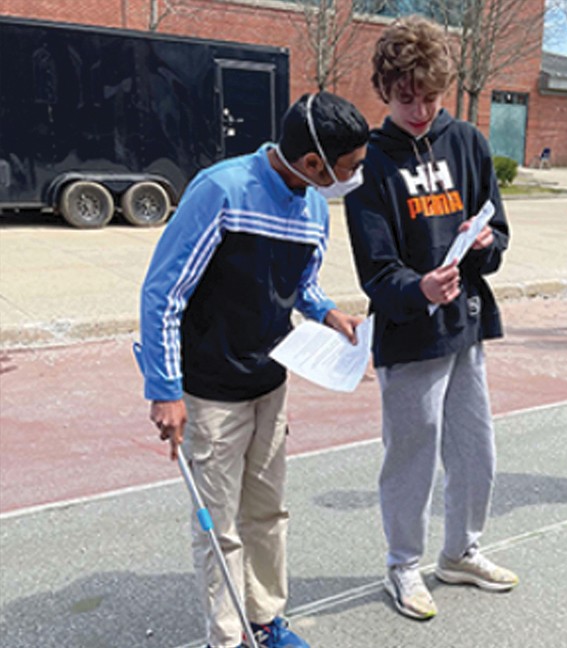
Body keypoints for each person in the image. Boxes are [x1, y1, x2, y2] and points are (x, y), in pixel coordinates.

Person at [135, 92, 369, 648]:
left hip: (272, 380)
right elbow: (163, 294)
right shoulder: (221, 190)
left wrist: (327, 310)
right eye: (350, 167)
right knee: (220, 526)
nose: (355, 177)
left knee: (267, 512)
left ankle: (264, 620)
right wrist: (165, 390)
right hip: (212, 390)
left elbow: (301, 283)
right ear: (313, 163)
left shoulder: (312, 205)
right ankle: (227, 636)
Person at [344, 15, 517, 621]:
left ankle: (461, 551)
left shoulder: (467, 142)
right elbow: (375, 270)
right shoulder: (370, 161)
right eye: (405, 97)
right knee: (411, 455)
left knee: (476, 451)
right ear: (384, 90)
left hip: (465, 326)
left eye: (430, 97)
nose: (419, 110)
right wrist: (418, 287)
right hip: (409, 334)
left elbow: (499, 234)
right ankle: (403, 565)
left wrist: (484, 245)